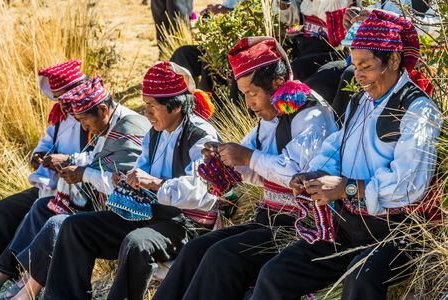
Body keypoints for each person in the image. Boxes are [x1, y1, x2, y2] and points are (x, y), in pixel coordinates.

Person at [249, 10, 442, 300]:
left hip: (397, 233)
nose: (359, 75)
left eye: (366, 66)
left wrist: (345, 188)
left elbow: (409, 185)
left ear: (393, 60)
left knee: (360, 279)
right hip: (350, 225)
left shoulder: (418, 109)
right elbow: (337, 145)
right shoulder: (360, 101)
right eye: (354, 65)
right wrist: (316, 174)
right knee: (276, 273)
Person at [152, 36, 338, 300]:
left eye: (252, 94)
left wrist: (247, 157)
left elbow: (295, 174)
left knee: (222, 256)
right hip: (271, 221)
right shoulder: (270, 117)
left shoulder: (311, 114)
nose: (249, 104)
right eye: (244, 95)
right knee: (196, 249)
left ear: (276, 84)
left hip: (302, 229)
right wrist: (225, 159)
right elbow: (257, 173)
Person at [42, 61, 220, 300]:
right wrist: (125, 181)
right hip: (151, 214)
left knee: (137, 243)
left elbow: (203, 193)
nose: (146, 112)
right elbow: (140, 172)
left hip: (186, 224)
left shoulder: (201, 135)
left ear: (175, 106)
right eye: (145, 105)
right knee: (76, 227)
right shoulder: (155, 133)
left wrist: (154, 183)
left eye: (151, 106)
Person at [0, 76, 150, 300]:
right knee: (42, 206)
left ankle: (29, 288)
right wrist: (70, 161)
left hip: (124, 211)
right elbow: (97, 158)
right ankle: (6, 274)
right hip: (97, 199)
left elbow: (125, 184)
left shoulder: (129, 128)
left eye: (84, 121)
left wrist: (82, 174)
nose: (83, 127)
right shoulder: (108, 126)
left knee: (60, 222)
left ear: (103, 110)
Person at [0, 60, 91, 294]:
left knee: (37, 213)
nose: (62, 103)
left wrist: (66, 160)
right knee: (5, 210)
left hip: (78, 193)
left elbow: (97, 157)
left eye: (65, 97)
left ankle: (7, 272)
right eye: (58, 98)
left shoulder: (91, 113)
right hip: (49, 185)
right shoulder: (61, 116)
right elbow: (46, 142)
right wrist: (39, 156)